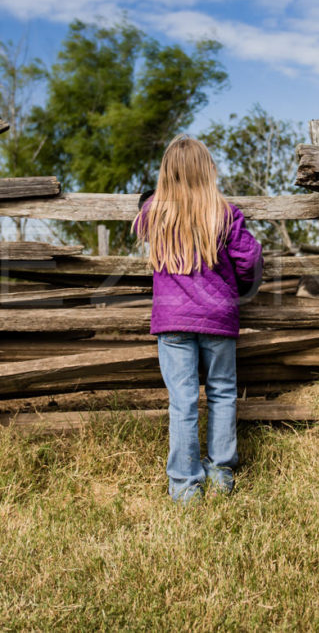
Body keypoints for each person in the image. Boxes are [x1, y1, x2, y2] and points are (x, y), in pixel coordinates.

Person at [133, 135, 263, 503]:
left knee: (183, 399)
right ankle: (221, 472)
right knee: (222, 392)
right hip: (218, 316)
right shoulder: (223, 213)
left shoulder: (154, 213)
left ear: (167, 172)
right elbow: (249, 257)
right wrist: (239, 287)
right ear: (207, 170)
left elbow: (143, 213)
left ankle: (186, 485)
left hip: (173, 321)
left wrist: (148, 199)